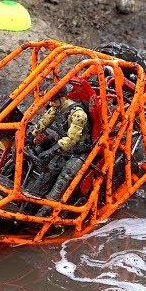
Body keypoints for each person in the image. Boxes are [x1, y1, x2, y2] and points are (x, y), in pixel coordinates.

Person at [24, 87, 92, 217]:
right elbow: (44, 121)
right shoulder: (57, 107)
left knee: (62, 181)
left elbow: (72, 139)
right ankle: (27, 205)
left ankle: (43, 215)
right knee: (47, 173)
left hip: (79, 152)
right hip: (64, 149)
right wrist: (31, 136)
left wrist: (51, 152)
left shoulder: (78, 114)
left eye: (53, 100)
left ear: (63, 97)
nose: (51, 104)